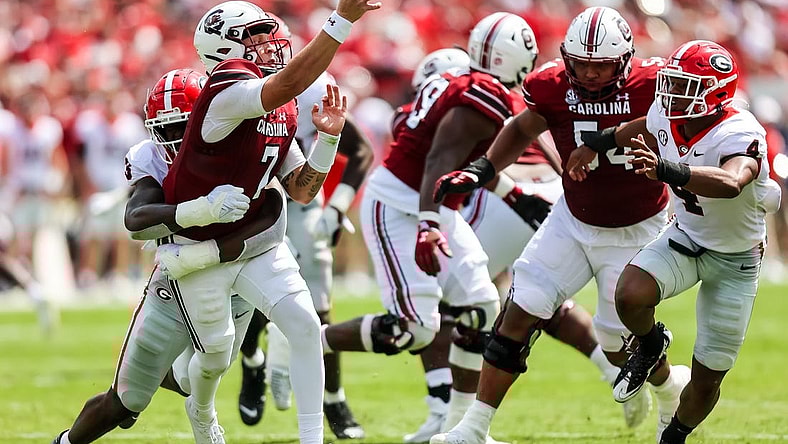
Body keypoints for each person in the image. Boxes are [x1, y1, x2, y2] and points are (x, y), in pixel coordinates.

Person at [430, 7, 690, 444]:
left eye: (600, 64)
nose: (589, 73)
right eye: (581, 63)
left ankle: (668, 386)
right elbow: (523, 125)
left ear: (625, 59)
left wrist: (605, 141)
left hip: (635, 228)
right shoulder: (550, 84)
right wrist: (480, 168)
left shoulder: (654, 82)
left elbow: (686, 119)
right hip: (572, 219)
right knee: (520, 310)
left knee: (615, 343)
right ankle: (473, 428)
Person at [155, 1, 379, 443]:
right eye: (254, 37)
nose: (270, 43)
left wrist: (329, 138)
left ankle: (313, 436)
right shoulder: (227, 90)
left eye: (265, 33)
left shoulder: (278, 103)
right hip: (204, 246)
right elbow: (291, 81)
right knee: (212, 358)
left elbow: (300, 188)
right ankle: (203, 412)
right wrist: (340, 21)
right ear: (224, 48)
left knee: (306, 323)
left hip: (256, 237)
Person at [320, 13, 542, 443]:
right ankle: (312, 338)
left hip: (432, 206)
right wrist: (428, 224)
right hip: (402, 207)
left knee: (481, 305)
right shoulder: (481, 95)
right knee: (414, 328)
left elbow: (462, 161)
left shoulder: (464, 89)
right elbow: (441, 161)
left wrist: (516, 197)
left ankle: (458, 430)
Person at [51, 68, 266, 444]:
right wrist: (200, 210)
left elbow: (274, 208)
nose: (172, 139)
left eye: (181, 126)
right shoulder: (151, 156)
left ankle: (257, 365)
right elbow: (136, 220)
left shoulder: (241, 144)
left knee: (192, 377)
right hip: (174, 279)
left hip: (230, 278)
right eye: (164, 129)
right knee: (127, 400)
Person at [579, 40, 778, 444]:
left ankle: (674, 437)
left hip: (735, 260)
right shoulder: (667, 114)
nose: (671, 94)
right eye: (672, 82)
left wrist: (667, 169)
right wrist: (598, 143)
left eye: (685, 86)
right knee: (630, 295)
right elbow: (644, 125)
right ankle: (652, 344)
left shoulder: (739, 129)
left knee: (706, 379)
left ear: (715, 93)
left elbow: (731, 182)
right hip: (687, 235)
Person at [237, 44, 374, 441]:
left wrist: (338, 208)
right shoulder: (232, 88)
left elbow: (359, 149)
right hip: (250, 199)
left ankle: (333, 397)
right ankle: (252, 359)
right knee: (248, 294)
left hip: (300, 200)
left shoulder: (312, 87)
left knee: (318, 303)